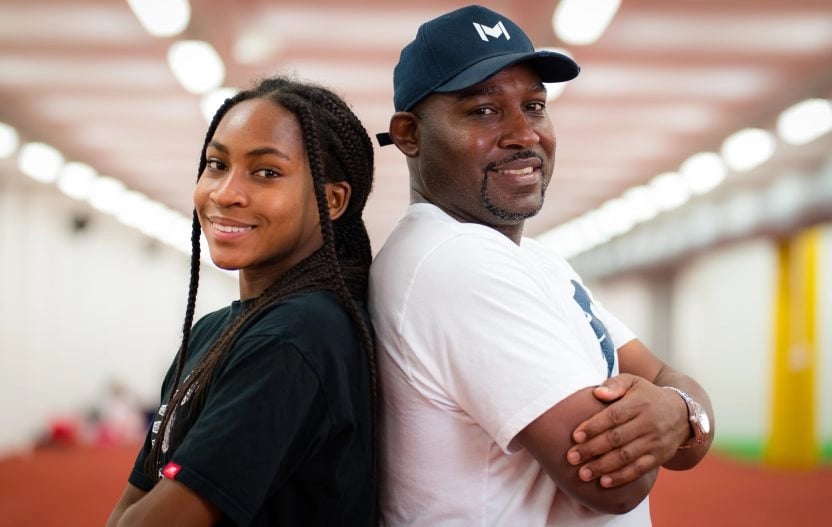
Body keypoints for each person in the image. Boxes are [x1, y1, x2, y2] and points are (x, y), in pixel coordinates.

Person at [370, 5, 714, 525]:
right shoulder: (456, 261)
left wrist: (679, 410)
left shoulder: (535, 261)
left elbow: (669, 385)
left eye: (533, 106)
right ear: (409, 134)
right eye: (483, 111)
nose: (524, 134)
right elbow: (614, 483)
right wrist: (679, 410)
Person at [107, 76, 377, 526]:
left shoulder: (295, 339)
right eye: (216, 164)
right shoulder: (215, 331)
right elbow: (128, 510)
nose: (225, 193)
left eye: (266, 172)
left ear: (332, 200)